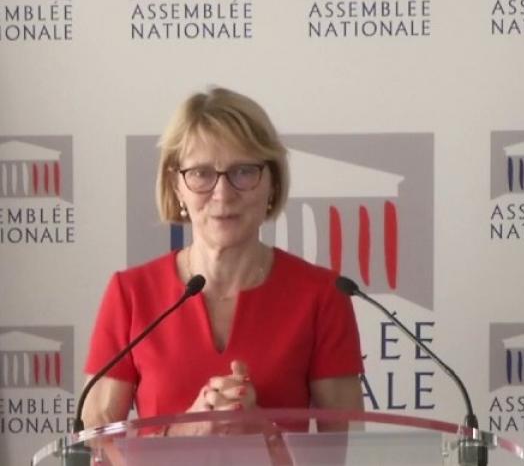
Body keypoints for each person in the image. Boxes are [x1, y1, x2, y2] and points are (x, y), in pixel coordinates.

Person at [82, 87, 364, 433]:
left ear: (272, 182)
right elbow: (91, 449)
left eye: (243, 172)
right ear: (176, 186)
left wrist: (259, 431)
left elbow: (347, 454)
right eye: (201, 173)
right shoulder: (131, 293)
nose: (223, 193)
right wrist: (185, 433)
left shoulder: (323, 295)